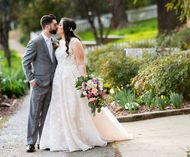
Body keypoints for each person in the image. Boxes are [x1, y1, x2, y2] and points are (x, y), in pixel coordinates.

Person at [40, 17, 132, 152]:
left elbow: (81, 63)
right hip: (59, 80)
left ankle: (81, 135)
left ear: (66, 27)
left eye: (59, 25)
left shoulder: (75, 42)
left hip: (72, 78)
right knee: (61, 107)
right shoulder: (59, 42)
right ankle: (64, 138)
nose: (57, 27)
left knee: (75, 107)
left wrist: (85, 82)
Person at [22, 14, 58, 153]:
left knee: (46, 114)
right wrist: (31, 79)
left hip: (51, 83)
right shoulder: (35, 42)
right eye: (55, 25)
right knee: (34, 113)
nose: (56, 27)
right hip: (38, 84)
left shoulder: (55, 41)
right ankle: (30, 142)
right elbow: (25, 61)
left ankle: (42, 141)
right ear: (47, 26)